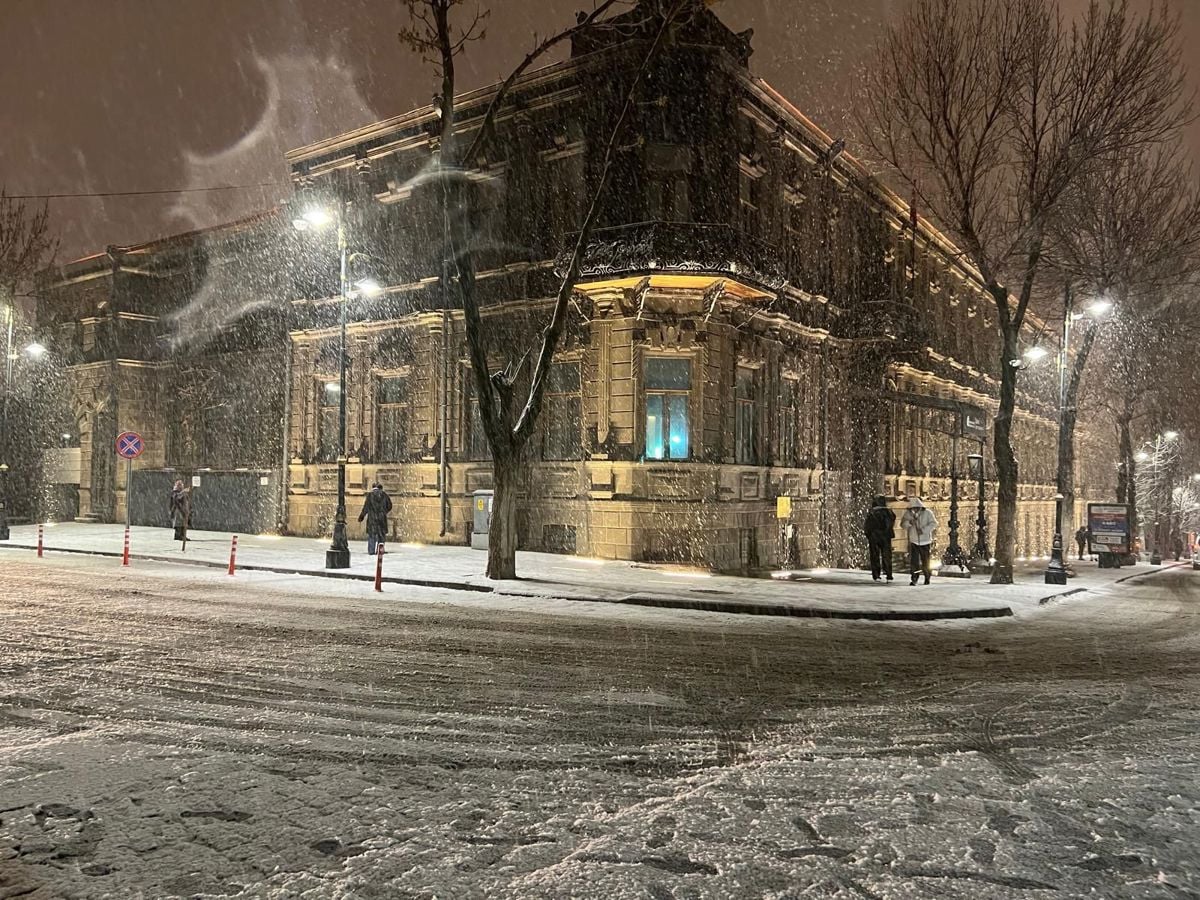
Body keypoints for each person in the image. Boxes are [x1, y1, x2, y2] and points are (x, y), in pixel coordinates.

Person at [900, 496, 938, 586]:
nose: (915, 510)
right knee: (914, 561)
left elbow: (934, 523)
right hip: (914, 541)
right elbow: (903, 524)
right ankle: (914, 577)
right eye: (913, 508)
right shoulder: (908, 514)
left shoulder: (928, 513)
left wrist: (924, 530)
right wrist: (909, 523)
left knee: (926, 560)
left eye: (916, 508)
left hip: (925, 541)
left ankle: (927, 576)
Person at [863, 495, 896, 583]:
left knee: (874, 555)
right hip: (886, 536)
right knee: (887, 555)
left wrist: (868, 534)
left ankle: (876, 575)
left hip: (874, 536)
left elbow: (868, 524)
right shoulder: (889, 512)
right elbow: (892, 521)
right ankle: (888, 574)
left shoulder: (872, 512)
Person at [358, 481, 393, 556]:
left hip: (372, 518)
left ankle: (371, 551)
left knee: (372, 535)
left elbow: (366, 507)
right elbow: (390, 506)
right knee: (381, 535)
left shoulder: (370, 495)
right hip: (382, 518)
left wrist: (362, 516)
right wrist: (384, 512)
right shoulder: (384, 495)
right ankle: (380, 550)